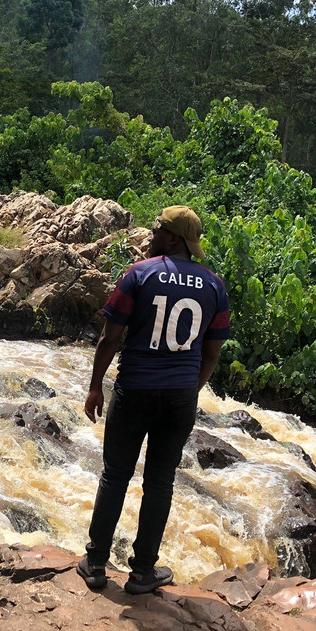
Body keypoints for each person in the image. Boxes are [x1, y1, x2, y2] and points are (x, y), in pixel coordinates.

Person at [77, 206, 231, 594]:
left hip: (135, 389)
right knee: (160, 483)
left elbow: (110, 338)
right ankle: (143, 572)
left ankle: (95, 564)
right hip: (180, 396)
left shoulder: (140, 274)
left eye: (156, 229)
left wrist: (96, 386)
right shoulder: (215, 286)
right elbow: (211, 354)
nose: (150, 235)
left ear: (172, 238)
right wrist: (187, 390)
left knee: (115, 475)